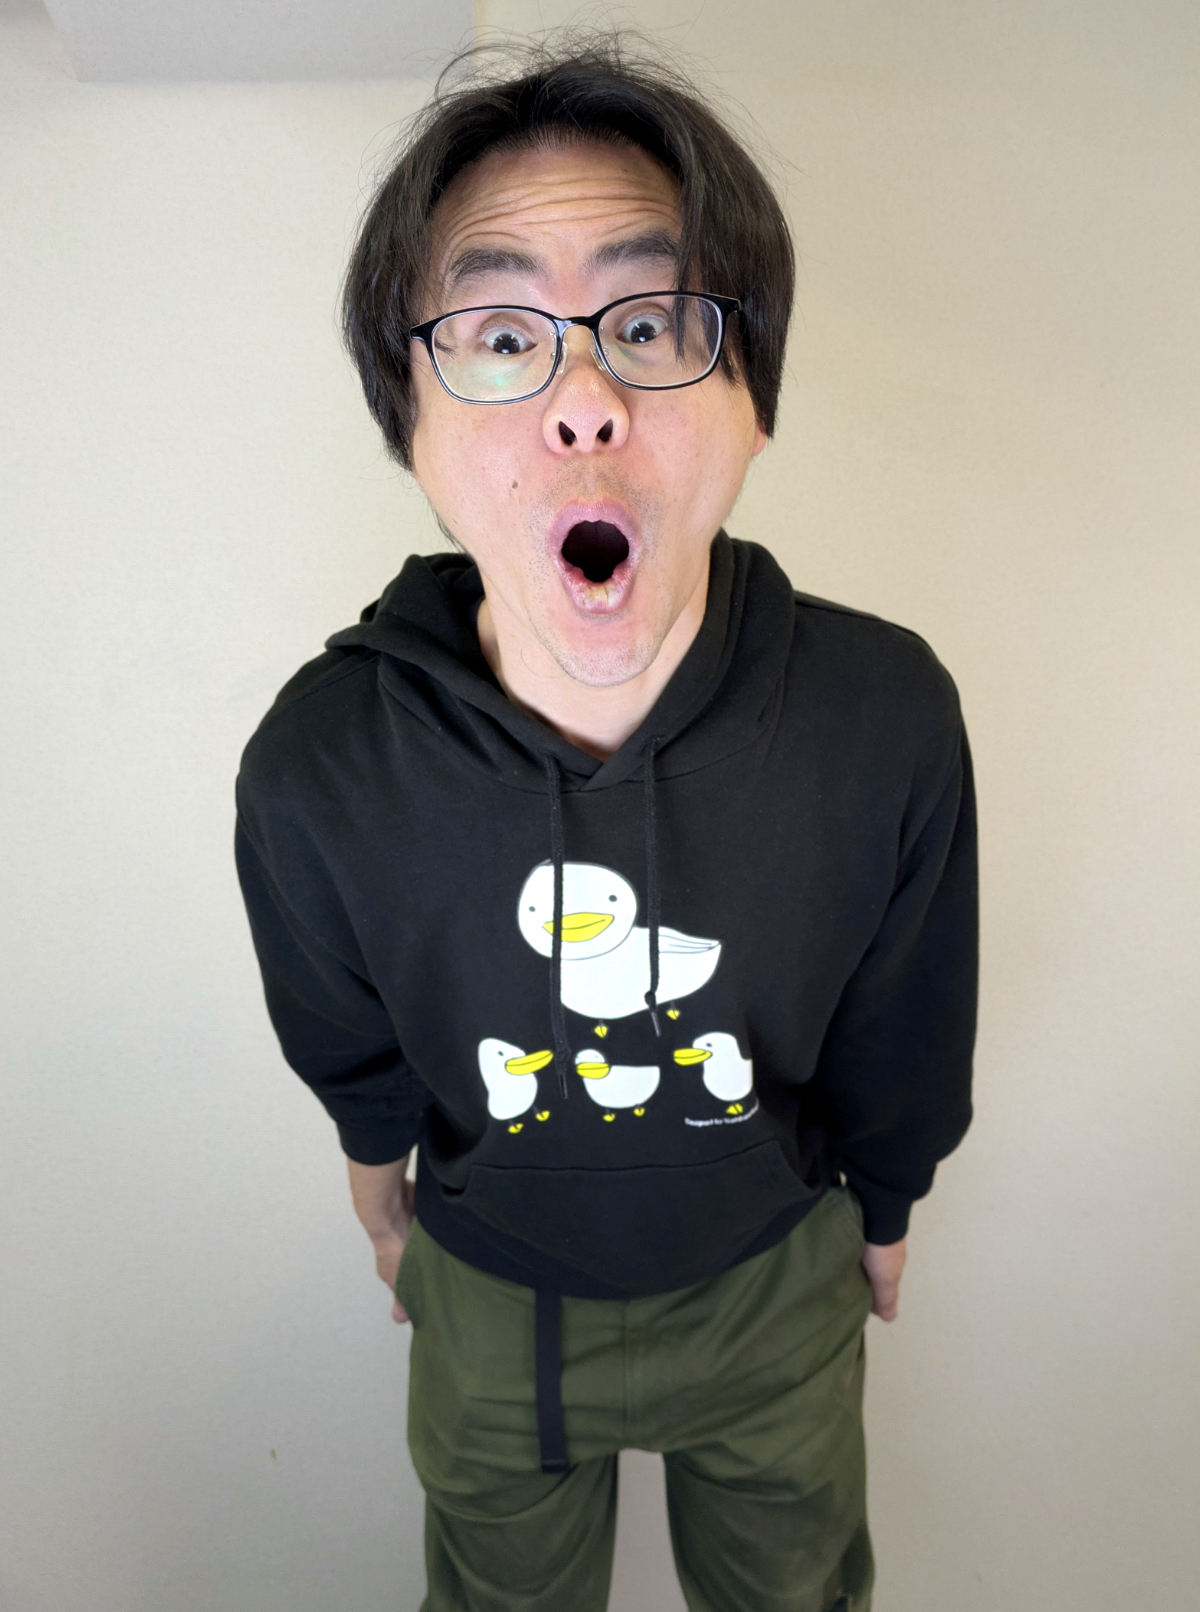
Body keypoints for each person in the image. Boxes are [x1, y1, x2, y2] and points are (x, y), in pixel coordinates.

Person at [235, 35, 976, 1612]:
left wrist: (892, 1202)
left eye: (650, 324)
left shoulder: (884, 715)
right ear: (410, 417)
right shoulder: (322, 764)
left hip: (777, 1283)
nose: (583, 400)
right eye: (501, 336)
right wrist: (381, 1190)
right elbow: (348, 1040)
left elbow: (905, 1019)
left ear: (753, 399)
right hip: (490, 1301)